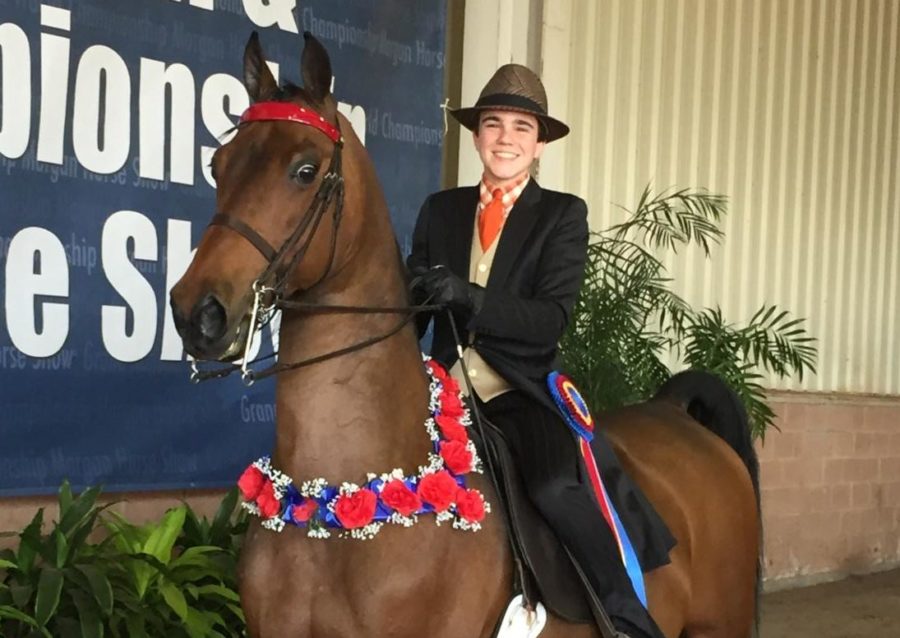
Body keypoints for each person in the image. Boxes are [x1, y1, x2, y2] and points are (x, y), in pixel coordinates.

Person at [407, 64, 672, 638]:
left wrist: (470, 298)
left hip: (518, 390)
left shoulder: (561, 215)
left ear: (540, 144)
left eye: (521, 128)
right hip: (440, 392)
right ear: (476, 137)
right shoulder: (439, 210)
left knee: (554, 488)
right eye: (494, 125)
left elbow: (549, 321)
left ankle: (626, 617)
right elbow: (415, 312)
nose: (506, 138)